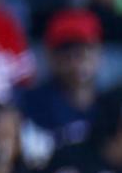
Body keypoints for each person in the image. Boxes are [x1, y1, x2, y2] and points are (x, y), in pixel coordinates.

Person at [16, 8, 103, 148]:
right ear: (51, 56)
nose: (76, 61)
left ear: (98, 52)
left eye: (83, 50)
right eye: (66, 51)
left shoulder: (110, 107)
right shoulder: (31, 105)